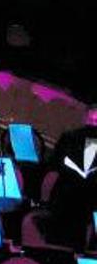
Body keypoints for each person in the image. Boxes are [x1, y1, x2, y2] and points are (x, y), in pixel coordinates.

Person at [45, 105, 97, 249]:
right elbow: (54, 164)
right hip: (68, 200)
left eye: (95, 122)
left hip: (86, 203)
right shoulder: (69, 138)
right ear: (85, 118)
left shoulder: (70, 137)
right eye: (91, 120)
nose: (92, 126)